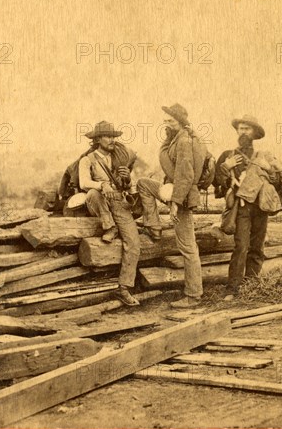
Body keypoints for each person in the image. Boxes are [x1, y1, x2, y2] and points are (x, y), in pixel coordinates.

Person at [214, 114, 282, 300]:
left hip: (260, 207)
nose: (243, 131)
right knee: (241, 246)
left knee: (257, 246)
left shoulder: (265, 156)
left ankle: (252, 284)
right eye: (240, 128)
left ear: (254, 133)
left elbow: (277, 181)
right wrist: (225, 167)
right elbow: (217, 184)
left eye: (247, 128)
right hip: (240, 208)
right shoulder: (227, 155)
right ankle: (232, 288)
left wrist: (268, 170)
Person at [138, 104, 206, 308]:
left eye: (171, 121)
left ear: (181, 122)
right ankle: (154, 225)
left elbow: (186, 175)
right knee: (143, 183)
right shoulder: (174, 138)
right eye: (165, 120)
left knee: (187, 246)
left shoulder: (184, 140)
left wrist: (175, 204)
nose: (166, 124)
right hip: (174, 190)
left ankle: (193, 295)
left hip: (182, 196)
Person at [78, 121, 142, 306]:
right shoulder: (87, 160)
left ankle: (123, 288)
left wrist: (127, 180)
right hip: (99, 201)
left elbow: (130, 187)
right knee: (93, 193)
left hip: (119, 202)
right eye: (108, 136)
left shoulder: (120, 158)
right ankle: (110, 226)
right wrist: (101, 185)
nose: (112, 140)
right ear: (97, 139)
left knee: (134, 242)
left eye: (114, 136)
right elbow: (84, 183)